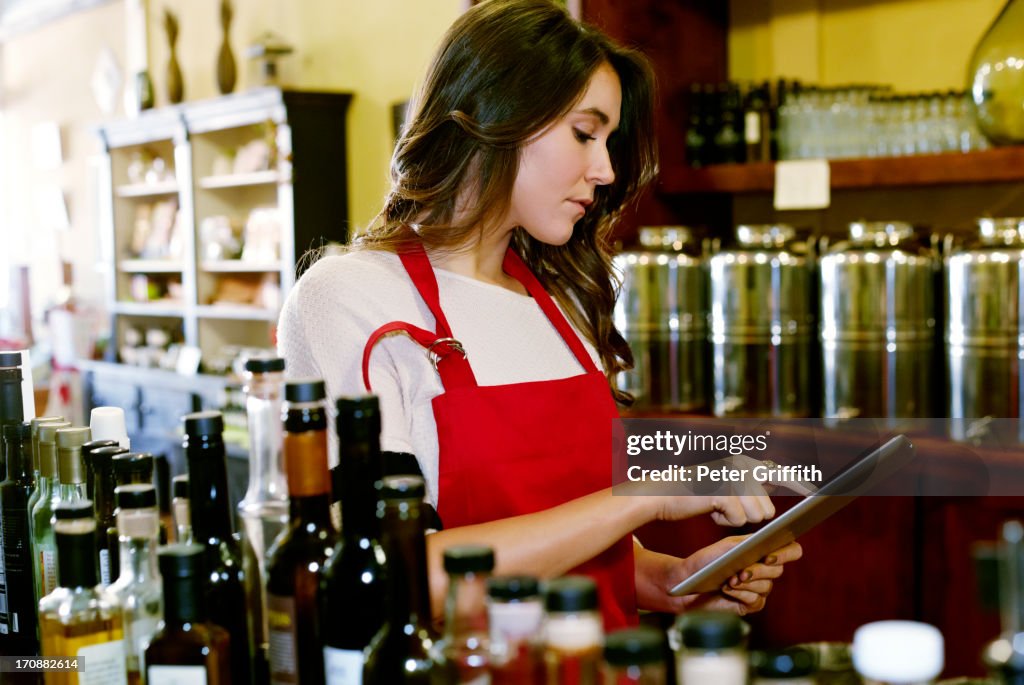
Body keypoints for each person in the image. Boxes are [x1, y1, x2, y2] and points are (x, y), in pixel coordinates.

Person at [278, 0, 801, 629]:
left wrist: (674, 581)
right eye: (585, 133)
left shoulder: (561, 301)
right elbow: (398, 574)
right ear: (499, 115)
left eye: (608, 142)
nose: (605, 171)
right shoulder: (350, 298)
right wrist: (643, 496)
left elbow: (585, 546)